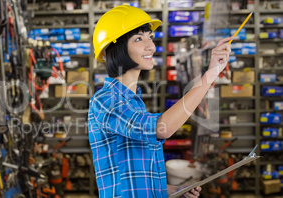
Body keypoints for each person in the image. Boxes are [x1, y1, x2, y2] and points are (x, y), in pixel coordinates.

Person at [88, 5, 232, 198]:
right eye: (139, 39)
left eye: (150, 37)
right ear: (114, 48)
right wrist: (210, 74)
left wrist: (172, 190)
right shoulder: (105, 101)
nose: (151, 47)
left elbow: (137, 178)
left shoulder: (134, 103)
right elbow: (162, 128)